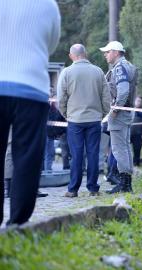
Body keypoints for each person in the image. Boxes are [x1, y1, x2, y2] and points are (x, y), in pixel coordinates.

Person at [0, 0, 60, 226]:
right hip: (32, 87)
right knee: (27, 156)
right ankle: (17, 221)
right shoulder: (49, 5)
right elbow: (51, 44)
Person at [100, 41, 142, 194]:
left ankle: (125, 184)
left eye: (107, 52)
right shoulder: (128, 66)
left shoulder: (119, 68)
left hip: (120, 113)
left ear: (116, 52)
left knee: (119, 149)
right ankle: (127, 183)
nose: (105, 54)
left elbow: (123, 90)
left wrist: (115, 109)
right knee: (124, 148)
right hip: (126, 112)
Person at [57, 44, 111, 197]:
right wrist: (102, 114)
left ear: (71, 55)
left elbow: (61, 98)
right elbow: (106, 97)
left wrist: (66, 114)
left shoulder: (66, 72)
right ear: (85, 54)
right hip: (94, 119)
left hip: (75, 120)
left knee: (76, 155)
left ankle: (73, 189)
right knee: (93, 153)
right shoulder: (98, 71)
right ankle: (93, 188)